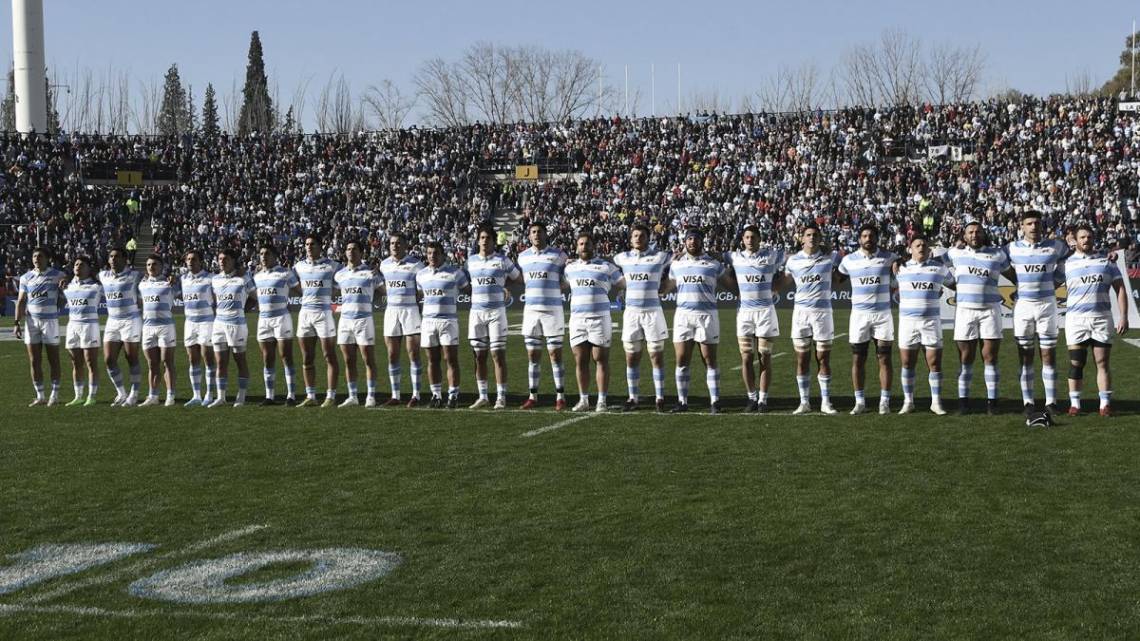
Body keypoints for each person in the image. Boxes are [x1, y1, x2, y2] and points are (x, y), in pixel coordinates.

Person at [1006, 210, 1069, 417]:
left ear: (1042, 226)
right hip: (1023, 306)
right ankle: (1028, 401)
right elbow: (994, 261)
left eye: (1037, 223)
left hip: (1047, 305)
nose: (1033, 227)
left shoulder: (1056, 246)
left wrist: (1055, 282)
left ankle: (1051, 401)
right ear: (1022, 226)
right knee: (1025, 356)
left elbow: (1070, 260)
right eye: (1029, 223)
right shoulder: (1011, 248)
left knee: (1048, 355)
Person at [1063, 224, 1130, 416]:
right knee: (1077, 362)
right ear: (1075, 240)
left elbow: (1121, 290)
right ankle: (1075, 403)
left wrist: (1123, 316)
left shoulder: (1107, 262)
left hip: (1101, 318)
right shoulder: (1066, 264)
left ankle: (1105, 404)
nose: (1086, 240)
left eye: (1089, 237)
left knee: (1102, 362)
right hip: (1076, 320)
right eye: (1082, 237)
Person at [944, 221, 1010, 415]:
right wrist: (954, 285)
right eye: (970, 232)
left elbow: (1012, 274)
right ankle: (964, 402)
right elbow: (935, 265)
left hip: (990, 310)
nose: (974, 235)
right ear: (964, 236)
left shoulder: (997, 254)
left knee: (990, 357)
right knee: (966, 358)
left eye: (978, 232)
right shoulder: (955, 253)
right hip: (965, 311)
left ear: (983, 234)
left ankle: (992, 403)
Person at [838, 224, 898, 415]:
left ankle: (885, 402)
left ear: (877, 237)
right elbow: (836, 279)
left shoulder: (889, 257)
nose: (868, 238)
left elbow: (902, 263)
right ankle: (860, 401)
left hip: (883, 315)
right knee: (858, 359)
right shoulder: (848, 260)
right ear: (859, 238)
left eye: (871, 235)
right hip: (859, 316)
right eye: (864, 235)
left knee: (885, 358)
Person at [669, 228, 730, 414]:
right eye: (689, 239)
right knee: (681, 359)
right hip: (683, 316)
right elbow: (666, 286)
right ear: (685, 242)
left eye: (696, 238)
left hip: (707, 316)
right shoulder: (676, 265)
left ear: (701, 241)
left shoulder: (713, 264)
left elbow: (730, 284)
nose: (692, 242)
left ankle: (715, 401)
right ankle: (682, 402)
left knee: (709, 359)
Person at [613, 223, 673, 412]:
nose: (638, 238)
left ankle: (660, 397)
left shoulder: (660, 257)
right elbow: (605, 264)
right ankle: (633, 397)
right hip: (631, 313)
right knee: (632, 357)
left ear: (648, 239)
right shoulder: (622, 258)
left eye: (642, 235)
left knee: (655, 355)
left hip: (653, 312)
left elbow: (677, 259)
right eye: (635, 235)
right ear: (630, 239)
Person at [726, 225, 784, 413]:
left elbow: (792, 257)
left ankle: (763, 400)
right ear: (742, 239)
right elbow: (714, 257)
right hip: (744, 314)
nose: (750, 240)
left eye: (753, 237)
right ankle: (751, 398)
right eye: (747, 237)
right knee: (746, 358)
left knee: (765, 357)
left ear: (759, 239)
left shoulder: (771, 256)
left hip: (765, 312)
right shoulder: (734, 257)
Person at [564, 232, 624, 412]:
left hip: (600, 319)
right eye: (581, 243)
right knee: (580, 360)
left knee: (600, 359)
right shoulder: (570, 268)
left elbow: (623, 283)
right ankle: (584, 400)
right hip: (577, 320)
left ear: (593, 246)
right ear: (577, 247)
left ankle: (601, 401)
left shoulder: (606, 266)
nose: (584, 246)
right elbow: (559, 284)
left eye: (587, 243)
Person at [894, 235, 955, 414]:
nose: (921, 248)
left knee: (934, 363)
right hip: (907, 322)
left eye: (924, 245)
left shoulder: (939, 269)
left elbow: (954, 284)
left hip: (931, 322)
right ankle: (908, 401)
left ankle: (936, 402)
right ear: (910, 249)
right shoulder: (900, 269)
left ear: (929, 249)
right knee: (907, 362)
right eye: (917, 245)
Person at [784, 223, 840, 415]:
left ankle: (826, 401)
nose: (812, 237)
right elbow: (783, 281)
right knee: (802, 359)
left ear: (820, 238)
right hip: (800, 314)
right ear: (802, 238)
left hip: (823, 314)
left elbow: (841, 263)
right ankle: (804, 402)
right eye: (808, 234)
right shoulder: (792, 261)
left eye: (815, 234)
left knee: (823, 358)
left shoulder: (830, 258)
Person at [465, 224, 522, 409]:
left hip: (496, 312)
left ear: (492, 240)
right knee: (479, 356)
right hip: (476, 313)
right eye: (481, 238)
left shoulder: (503, 260)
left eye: (488, 238)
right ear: (478, 240)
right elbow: (465, 283)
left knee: (497, 354)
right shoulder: (470, 261)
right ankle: (483, 396)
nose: (484, 241)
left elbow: (518, 278)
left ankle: (500, 396)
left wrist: (506, 288)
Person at [516, 221, 569, 410]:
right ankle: (533, 396)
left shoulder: (559, 255)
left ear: (546, 234)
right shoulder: (522, 257)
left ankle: (560, 396)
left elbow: (568, 278)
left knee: (555, 354)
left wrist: (555, 288)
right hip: (531, 311)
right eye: (533, 232)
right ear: (529, 236)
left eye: (539, 231)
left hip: (552, 311)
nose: (536, 234)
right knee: (533, 355)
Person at [416, 240, 470, 408]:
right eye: (430, 253)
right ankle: (436, 395)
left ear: (442, 255)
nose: (432, 256)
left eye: (436, 253)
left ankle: (453, 395)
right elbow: (419, 295)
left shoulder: (456, 273)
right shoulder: (421, 275)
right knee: (432, 359)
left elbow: (470, 291)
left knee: (450, 359)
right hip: (428, 321)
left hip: (448, 321)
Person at [14, 247, 67, 406]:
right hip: (31, 322)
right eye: (34, 256)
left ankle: (55, 395)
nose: (37, 258)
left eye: (40, 256)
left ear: (47, 258)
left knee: (53, 359)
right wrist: (17, 323)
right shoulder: (26, 277)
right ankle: (40, 396)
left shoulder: (58, 275)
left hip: (50, 321)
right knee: (34, 360)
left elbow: (65, 295)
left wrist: (64, 289)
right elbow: (21, 301)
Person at [294, 233, 342, 408]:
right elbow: (291, 282)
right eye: (306, 244)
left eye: (312, 244)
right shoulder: (298, 267)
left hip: (324, 314)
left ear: (320, 246)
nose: (308, 247)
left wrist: (329, 296)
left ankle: (331, 395)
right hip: (305, 314)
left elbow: (340, 284)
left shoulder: (333, 266)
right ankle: (311, 395)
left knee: (329, 355)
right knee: (307, 357)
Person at [378, 233, 425, 407]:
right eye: (392, 243)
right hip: (391, 311)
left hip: (410, 310)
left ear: (405, 245)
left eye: (398, 243)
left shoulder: (416, 265)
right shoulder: (384, 265)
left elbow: (422, 290)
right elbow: (384, 287)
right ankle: (395, 395)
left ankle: (416, 395)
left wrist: (413, 296)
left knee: (413, 353)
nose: (395, 246)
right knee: (392, 354)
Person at [334, 239, 383, 407]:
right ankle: (352, 396)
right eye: (348, 248)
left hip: (364, 320)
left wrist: (372, 301)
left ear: (361, 253)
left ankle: (371, 395)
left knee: (368, 359)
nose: (350, 251)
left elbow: (383, 291)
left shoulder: (370, 273)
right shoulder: (339, 274)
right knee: (348, 360)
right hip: (345, 321)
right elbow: (333, 292)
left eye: (354, 249)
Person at [253, 244, 301, 406]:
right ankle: (270, 396)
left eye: (267, 254)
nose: (263, 257)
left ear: (274, 256)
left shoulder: (286, 273)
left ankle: (291, 395)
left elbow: (301, 291)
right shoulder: (257, 276)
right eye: (261, 254)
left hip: (281, 318)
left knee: (286, 356)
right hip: (263, 320)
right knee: (267, 358)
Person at [99, 246, 144, 407]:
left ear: (125, 260)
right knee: (109, 359)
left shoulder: (135, 275)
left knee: (131, 357)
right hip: (112, 321)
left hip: (131, 320)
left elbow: (153, 278)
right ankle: (121, 393)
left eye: (117, 256)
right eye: (111, 256)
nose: (113, 259)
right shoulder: (103, 275)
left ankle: (134, 393)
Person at [209, 249, 254, 407]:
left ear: (233, 261)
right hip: (219, 324)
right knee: (220, 362)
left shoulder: (243, 278)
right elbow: (215, 300)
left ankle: (241, 396)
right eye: (220, 258)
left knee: (240, 361)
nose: (222, 261)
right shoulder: (214, 279)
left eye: (226, 259)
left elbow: (255, 297)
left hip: (237, 325)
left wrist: (243, 310)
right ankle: (221, 398)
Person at [138, 254, 178, 406]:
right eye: (148, 265)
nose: (151, 267)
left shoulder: (168, 284)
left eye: (154, 264)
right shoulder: (142, 285)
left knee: (167, 362)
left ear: (161, 267)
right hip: (148, 328)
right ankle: (153, 396)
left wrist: (174, 283)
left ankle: (170, 395)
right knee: (152, 364)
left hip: (165, 327)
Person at [63, 255, 102, 406]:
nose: (78, 266)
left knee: (91, 362)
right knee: (76, 363)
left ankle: (91, 396)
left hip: (89, 326)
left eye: (81, 264)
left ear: (88, 268)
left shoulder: (97, 286)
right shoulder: (68, 286)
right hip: (72, 326)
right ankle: (78, 396)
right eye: (76, 264)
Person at [181, 250, 217, 407]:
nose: (190, 261)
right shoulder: (183, 279)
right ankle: (196, 395)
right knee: (192, 359)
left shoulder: (210, 279)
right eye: (188, 259)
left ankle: (209, 394)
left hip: (206, 322)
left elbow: (217, 298)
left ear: (200, 261)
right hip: (189, 323)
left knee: (207, 358)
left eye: (194, 259)